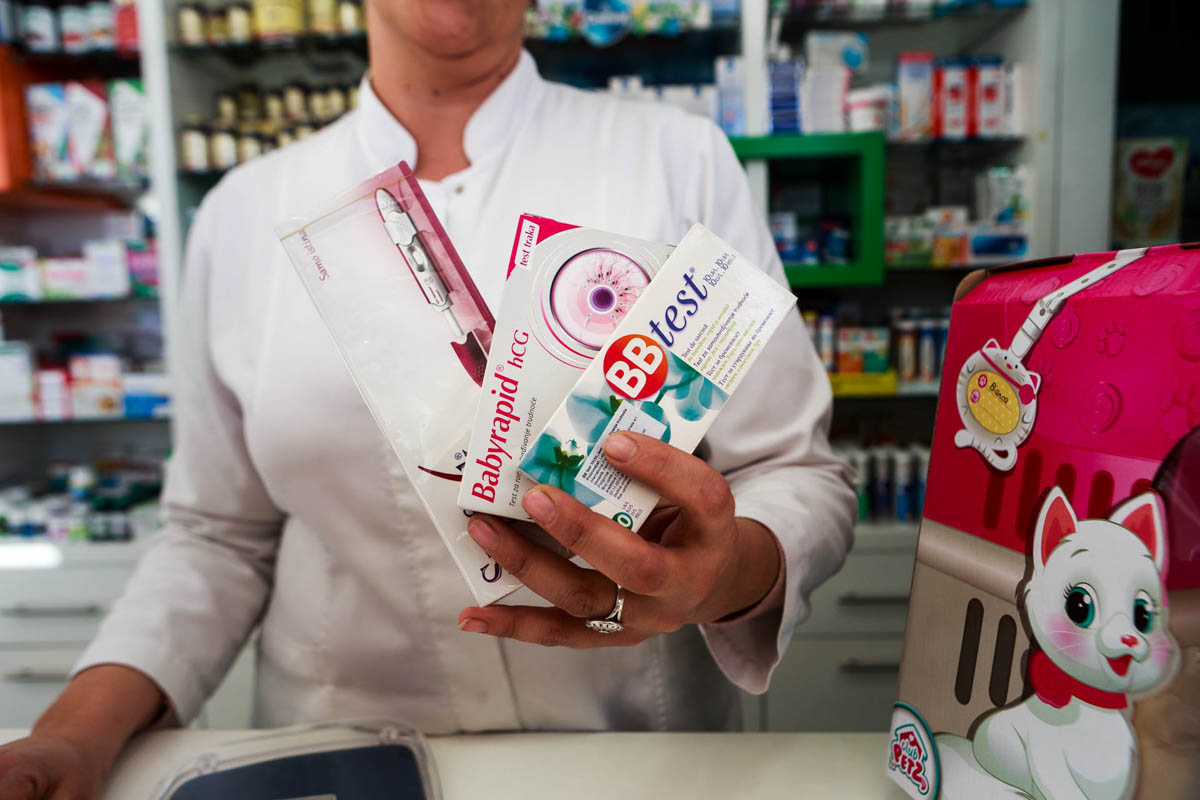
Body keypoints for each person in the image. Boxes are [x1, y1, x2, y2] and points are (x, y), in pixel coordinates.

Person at [0, 2, 855, 797]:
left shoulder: (676, 157)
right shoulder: (244, 213)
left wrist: (725, 574)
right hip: (340, 758)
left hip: (629, 759)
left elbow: (795, 473)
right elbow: (216, 535)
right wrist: (75, 734)